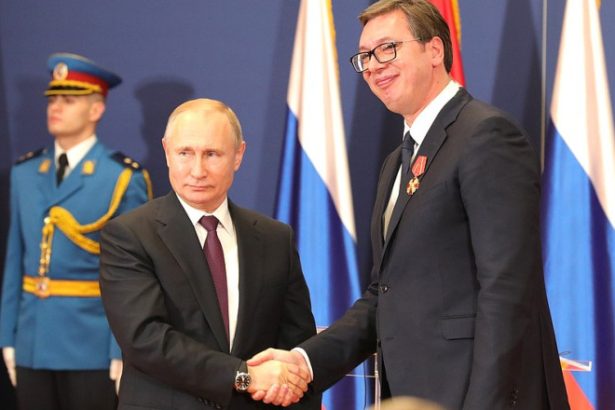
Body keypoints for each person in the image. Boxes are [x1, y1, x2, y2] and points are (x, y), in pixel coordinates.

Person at [248, 1, 570, 409]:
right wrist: (305, 361)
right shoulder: (396, 162)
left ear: (434, 50)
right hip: (415, 394)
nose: (373, 66)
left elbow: (507, 289)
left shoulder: (485, 135)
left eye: (388, 48)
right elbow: (384, 296)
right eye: (365, 56)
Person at [98, 98, 320, 409]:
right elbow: (146, 339)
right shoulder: (130, 235)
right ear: (167, 152)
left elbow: (296, 344)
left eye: (212, 154)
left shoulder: (275, 238)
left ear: (238, 155)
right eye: (185, 153)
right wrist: (244, 377)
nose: (197, 170)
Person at [0, 52, 152, 410]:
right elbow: (15, 259)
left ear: (96, 109)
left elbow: (132, 276)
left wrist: (120, 348)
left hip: (91, 345)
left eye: (69, 100)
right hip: (32, 339)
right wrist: (8, 335)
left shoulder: (121, 177)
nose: (55, 107)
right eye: (52, 99)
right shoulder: (24, 173)